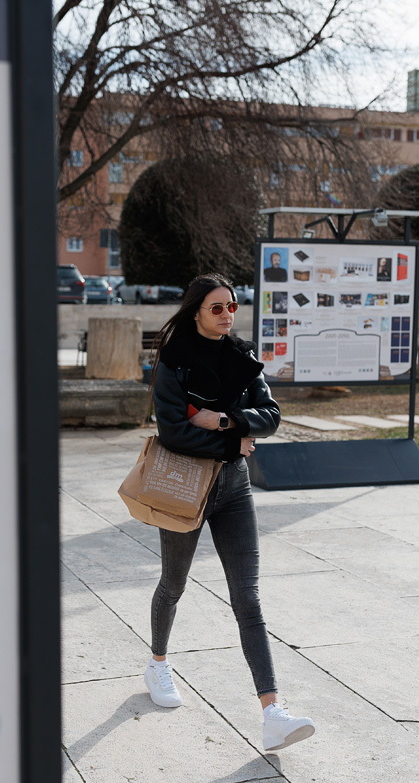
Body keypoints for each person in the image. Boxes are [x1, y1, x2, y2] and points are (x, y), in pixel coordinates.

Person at [144, 273, 315, 751]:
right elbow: (174, 433)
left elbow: (272, 414)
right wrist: (234, 438)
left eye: (233, 307)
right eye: (217, 307)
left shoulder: (242, 359)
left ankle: (272, 712)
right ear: (197, 310)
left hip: (234, 490)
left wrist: (224, 420)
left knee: (248, 599)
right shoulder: (173, 363)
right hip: (184, 486)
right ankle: (158, 663)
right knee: (173, 583)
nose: (227, 315)